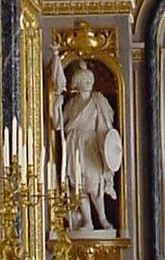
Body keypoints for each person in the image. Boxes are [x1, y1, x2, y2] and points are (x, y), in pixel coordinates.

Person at [62, 61, 118, 230]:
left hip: (92, 145)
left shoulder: (98, 100)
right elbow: (59, 124)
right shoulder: (71, 104)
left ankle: (102, 218)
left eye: (89, 79)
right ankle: (88, 221)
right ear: (76, 83)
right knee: (79, 186)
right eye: (84, 79)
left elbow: (109, 120)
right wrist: (57, 104)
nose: (88, 82)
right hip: (75, 145)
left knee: (94, 184)